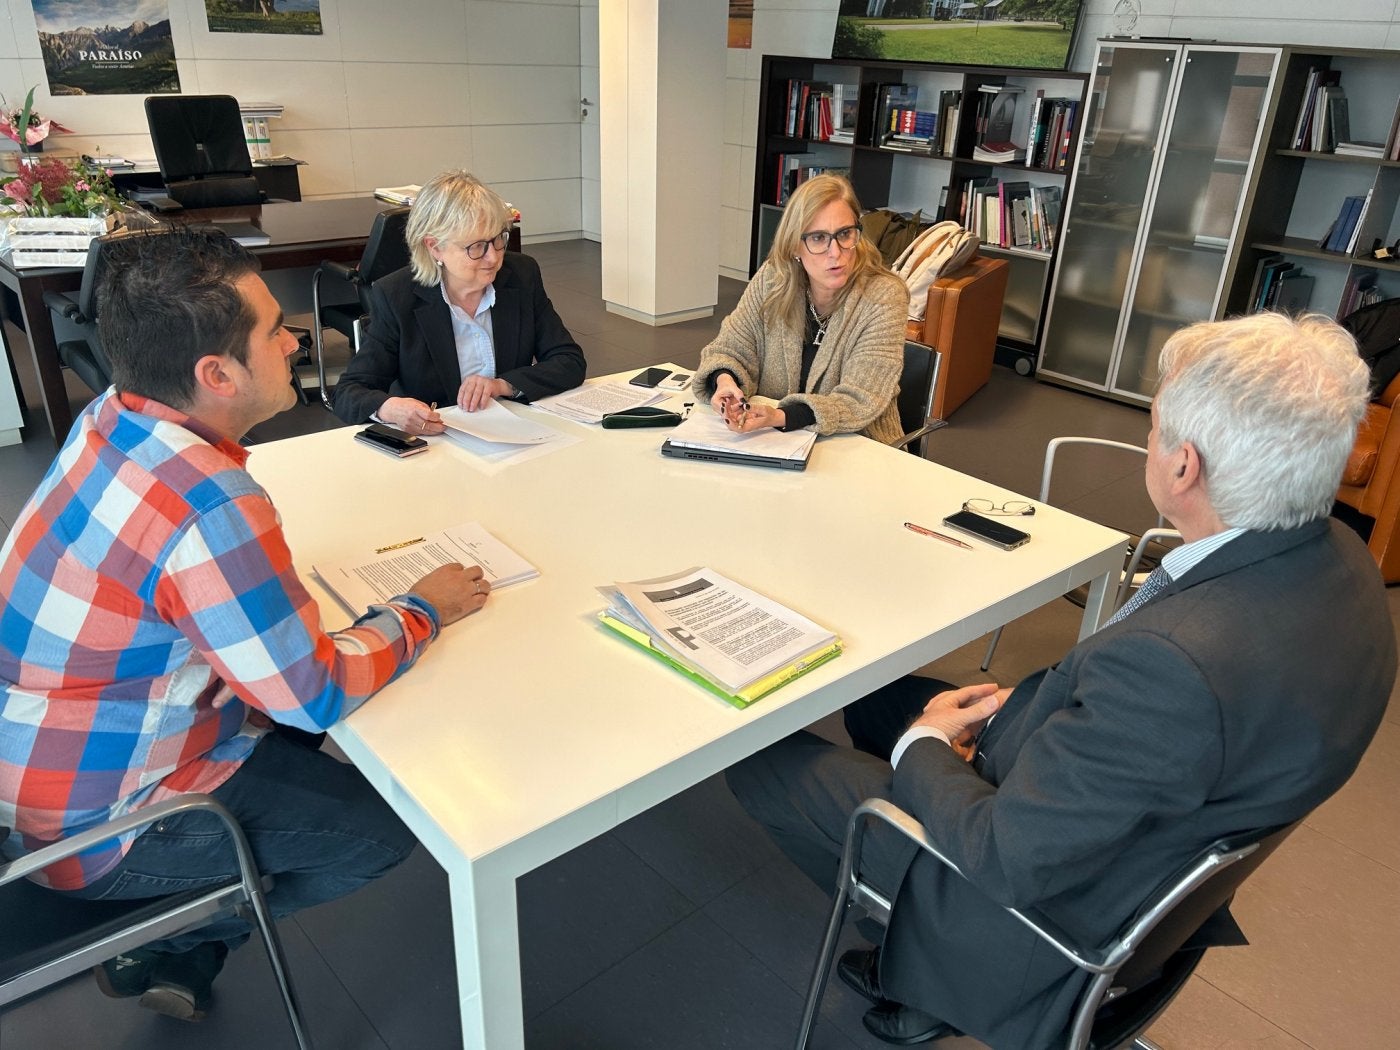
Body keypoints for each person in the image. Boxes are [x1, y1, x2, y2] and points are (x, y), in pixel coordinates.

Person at [727, 313, 1396, 1048]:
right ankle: (916, 965)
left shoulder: (1176, 667)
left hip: (1030, 911)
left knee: (759, 759)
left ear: (1184, 467)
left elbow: (1006, 858)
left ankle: (929, 964)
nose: (1150, 440)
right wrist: (1029, 709)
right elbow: (1145, 724)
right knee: (869, 690)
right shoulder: (1345, 565)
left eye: (1155, 426)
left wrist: (922, 745)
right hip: (1120, 817)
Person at [0, 228, 489, 1021]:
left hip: (35, 765)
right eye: (274, 329)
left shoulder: (109, 420)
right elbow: (316, 693)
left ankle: (178, 944)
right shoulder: (210, 504)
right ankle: (171, 936)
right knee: (382, 836)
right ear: (216, 373)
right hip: (96, 826)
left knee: (284, 687)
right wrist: (421, 611)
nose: (295, 339)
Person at [332, 169, 586, 432]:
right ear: (435, 247)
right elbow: (349, 391)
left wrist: (502, 385)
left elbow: (569, 360)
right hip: (439, 439)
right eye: (476, 247)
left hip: (514, 431)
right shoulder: (398, 296)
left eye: (498, 239)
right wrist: (390, 408)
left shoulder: (521, 276)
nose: (493, 257)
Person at [691, 173, 907, 443]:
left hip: (858, 445)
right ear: (795, 245)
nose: (835, 252)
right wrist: (725, 382)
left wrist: (779, 416)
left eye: (844, 234)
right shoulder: (773, 279)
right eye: (818, 238)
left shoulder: (884, 296)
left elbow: (861, 398)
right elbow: (730, 348)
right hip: (771, 441)